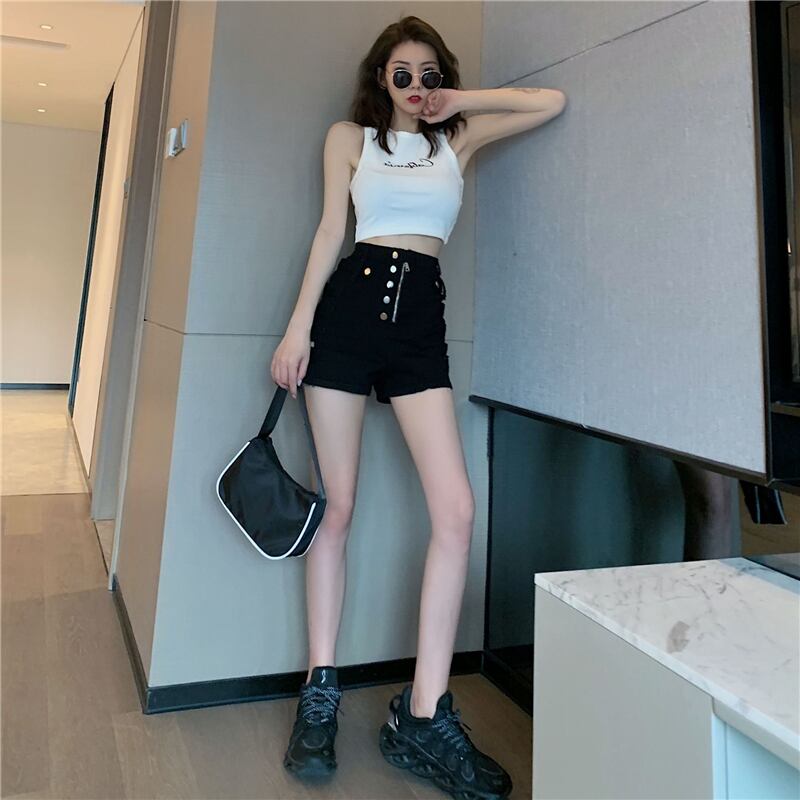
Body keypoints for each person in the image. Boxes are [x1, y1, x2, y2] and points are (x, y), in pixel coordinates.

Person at [270, 15, 566, 800]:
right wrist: (297, 329)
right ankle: (320, 691)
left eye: (427, 73)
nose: (413, 86)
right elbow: (329, 232)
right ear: (380, 78)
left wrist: (458, 101)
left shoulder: (455, 140)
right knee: (337, 508)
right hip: (347, 319)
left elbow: (550, 102)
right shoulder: (349, 139)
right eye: (400, 74)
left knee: (455, 512)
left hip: (419, 330)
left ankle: (424, 713)